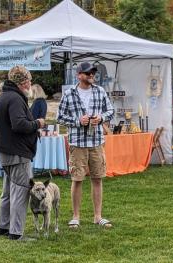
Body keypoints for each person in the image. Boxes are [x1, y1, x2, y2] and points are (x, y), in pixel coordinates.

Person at [57, 61, 114, 228]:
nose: (91, 75)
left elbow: (110, 111)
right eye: (88, 73)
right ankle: (76, 216)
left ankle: (98, 216)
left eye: (93, 73)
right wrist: (77, 121)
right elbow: (59, 117)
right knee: (77, 179)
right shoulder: (69, 93)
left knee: (98, 178)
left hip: (96, 142)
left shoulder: (100, 91)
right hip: (78, 143)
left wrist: (101, 118)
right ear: (79, 75)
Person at [0, 65, 45, 240]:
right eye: (29, 80)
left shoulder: (3, 97)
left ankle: (3, 226)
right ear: (23, 82)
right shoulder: (16, 99)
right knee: (20, 192)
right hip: (17, 153)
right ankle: (16, 232)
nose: (31, 83)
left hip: (5, 152)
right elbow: (19, 124)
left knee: (8, 191)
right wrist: (38, 123)